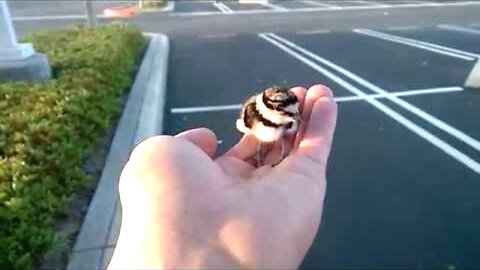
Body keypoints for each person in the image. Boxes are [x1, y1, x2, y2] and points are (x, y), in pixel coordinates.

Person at [108, 85, 338, 269]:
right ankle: (262, 149)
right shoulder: (254, 118)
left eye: (293, 112)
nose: (293, 117)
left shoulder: (288, 118)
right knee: (268, 142)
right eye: (286, 112)